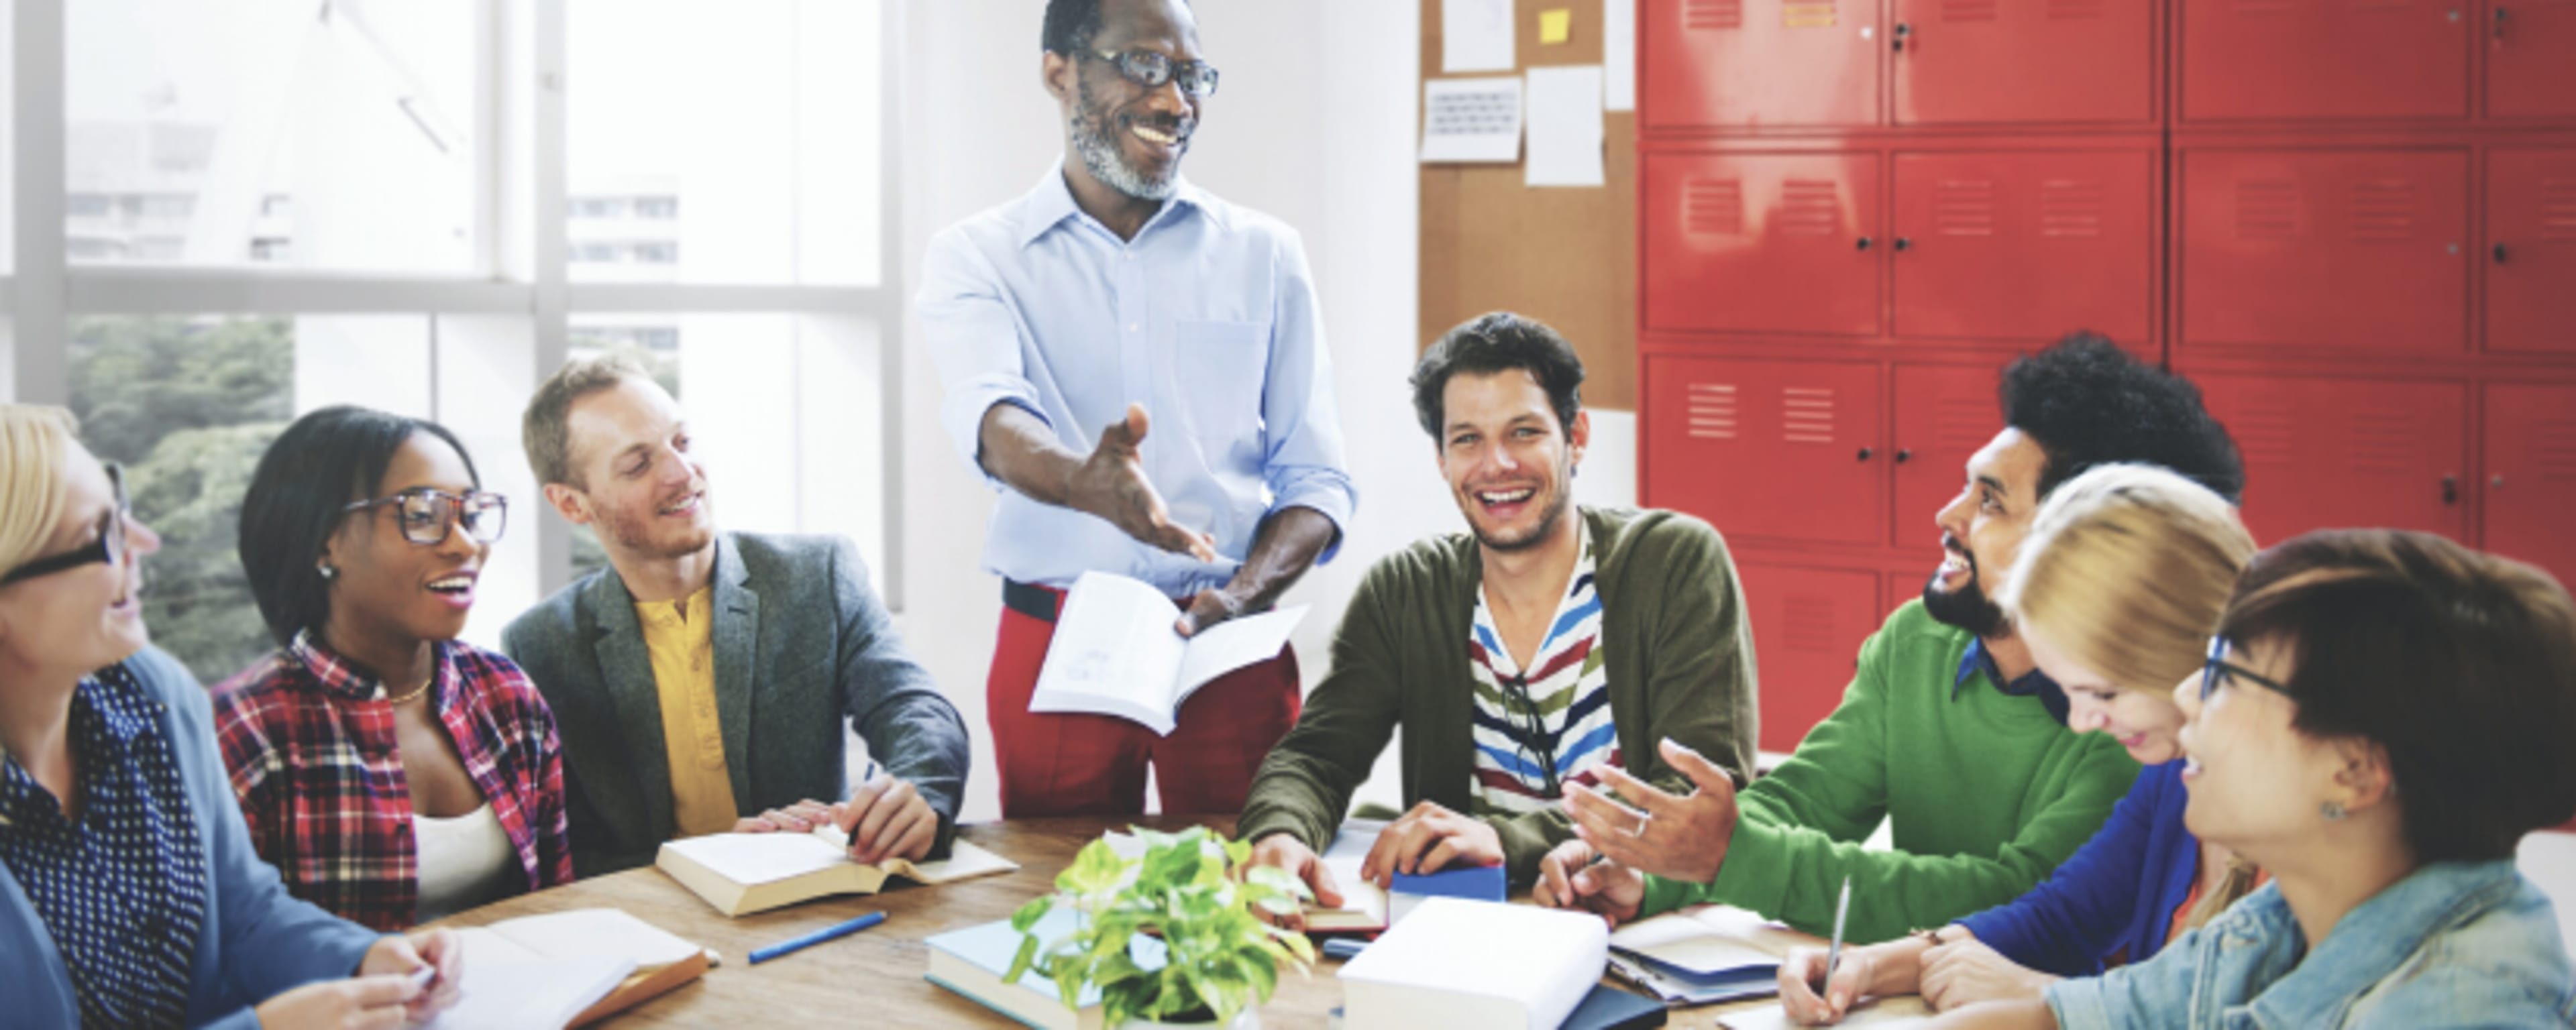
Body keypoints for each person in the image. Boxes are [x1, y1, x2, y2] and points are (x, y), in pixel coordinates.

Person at [1541, 334, 2247, 943]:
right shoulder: (1917, 640)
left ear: (2077, 541)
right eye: (1969, 487)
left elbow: (2018, 895)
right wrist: (1656, 869)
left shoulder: (2134, 716)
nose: (1948, 512)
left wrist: (1726, 857)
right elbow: (1807, 800)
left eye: (1992, 500)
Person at [916, 0, 1356, 817]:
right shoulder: (977, 257)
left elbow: (1318, 478)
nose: (1174, 102)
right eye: (1143, 66)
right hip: (1060, 643)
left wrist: (1244, 591)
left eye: (1191, 77)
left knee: (1257, 896)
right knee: (1057, 902)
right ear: (1060, 71)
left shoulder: (1265, 253)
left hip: (1229, 640)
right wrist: (1082, 480)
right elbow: (993, 420)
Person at [1929, 530, 2576, 1029]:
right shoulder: (2288, 915)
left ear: (2353, 771)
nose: (2184, 694)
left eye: (2226, 675)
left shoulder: (2459, 1006)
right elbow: (2090, 1015)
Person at [1236, 312, 1758, 911]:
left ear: (1576, 437)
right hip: (1464, 922)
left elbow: (1699, 792)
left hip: (1624, 912)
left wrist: (1506, 841)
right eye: (1468, 440)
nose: (1497, 465)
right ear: (1442, 460)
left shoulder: (1673, 564)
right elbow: (1315, 757)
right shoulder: (1406, 590)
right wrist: (1279, 833)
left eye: (1524, 433)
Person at [0, 404, 461, 1029]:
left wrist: (360, 959)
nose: (145, 542)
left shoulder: (153, 693)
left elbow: (244, 910)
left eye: (123, 506)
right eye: (99, 534)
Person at [1774, 464, 2260, 1023]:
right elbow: (2062, 917)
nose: (2081, 722)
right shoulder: (2173, 772)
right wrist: (1874, 966)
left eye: (2103, 691)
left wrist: (2045, 1000)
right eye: (2068, 690)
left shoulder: (2302, 831)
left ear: (2195, 656)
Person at [504, 356, 971, 876]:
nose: (683, 474)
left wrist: (921, 792)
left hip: (820, 904)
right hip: (658, 927)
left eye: (682, 443)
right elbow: (568, 853)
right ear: (571, 505)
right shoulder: (539, 647)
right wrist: (709, 856)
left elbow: (915, 709)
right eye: (638, 464)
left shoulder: (818, 575)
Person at [213, 406, 572, 931]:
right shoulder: (246, 729)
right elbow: (228, 953)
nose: (467, 544)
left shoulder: (505, 695)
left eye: (470, 515)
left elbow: (559, 906)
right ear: (324, 540)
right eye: (423, 515)